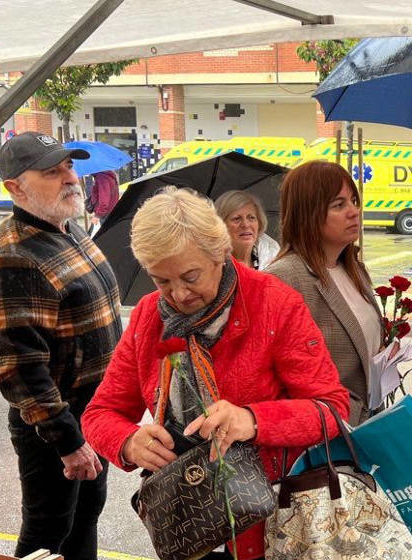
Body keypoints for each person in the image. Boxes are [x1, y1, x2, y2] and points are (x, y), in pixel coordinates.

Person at [81, 187, 349, 560]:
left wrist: (251, 420)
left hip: (270, 516)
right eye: (161, 280)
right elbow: (99, 414)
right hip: (186, 521)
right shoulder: (147, 316)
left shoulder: (273, 302)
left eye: (190, 276)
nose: (178, 294)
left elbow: (332, 409)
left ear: (222, 252)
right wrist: (128, 442)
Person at [0, 132, 121, 560]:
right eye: (51, 172)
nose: (69, 178)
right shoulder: (13, 257)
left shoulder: (67, 228)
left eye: (68, 167)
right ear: (15, 187)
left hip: (92, 414)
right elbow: (21, 369)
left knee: (85, 518)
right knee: (47, 534)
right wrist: (68, 441)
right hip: (56, 427)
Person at [265, 161, 382, 425]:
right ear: (308, 214)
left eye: (354, 200)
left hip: (367, 421)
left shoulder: (353, 268)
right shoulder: (285, 277)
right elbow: (276, 376)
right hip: (326, 432)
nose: (354, 212)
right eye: (338, 205)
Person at [214, 190, 280, 270]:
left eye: (251, 217)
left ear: (259, 223)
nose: (245, 225)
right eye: (236, 219)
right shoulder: (212, 266)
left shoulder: (273, 258)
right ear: (220, 225)